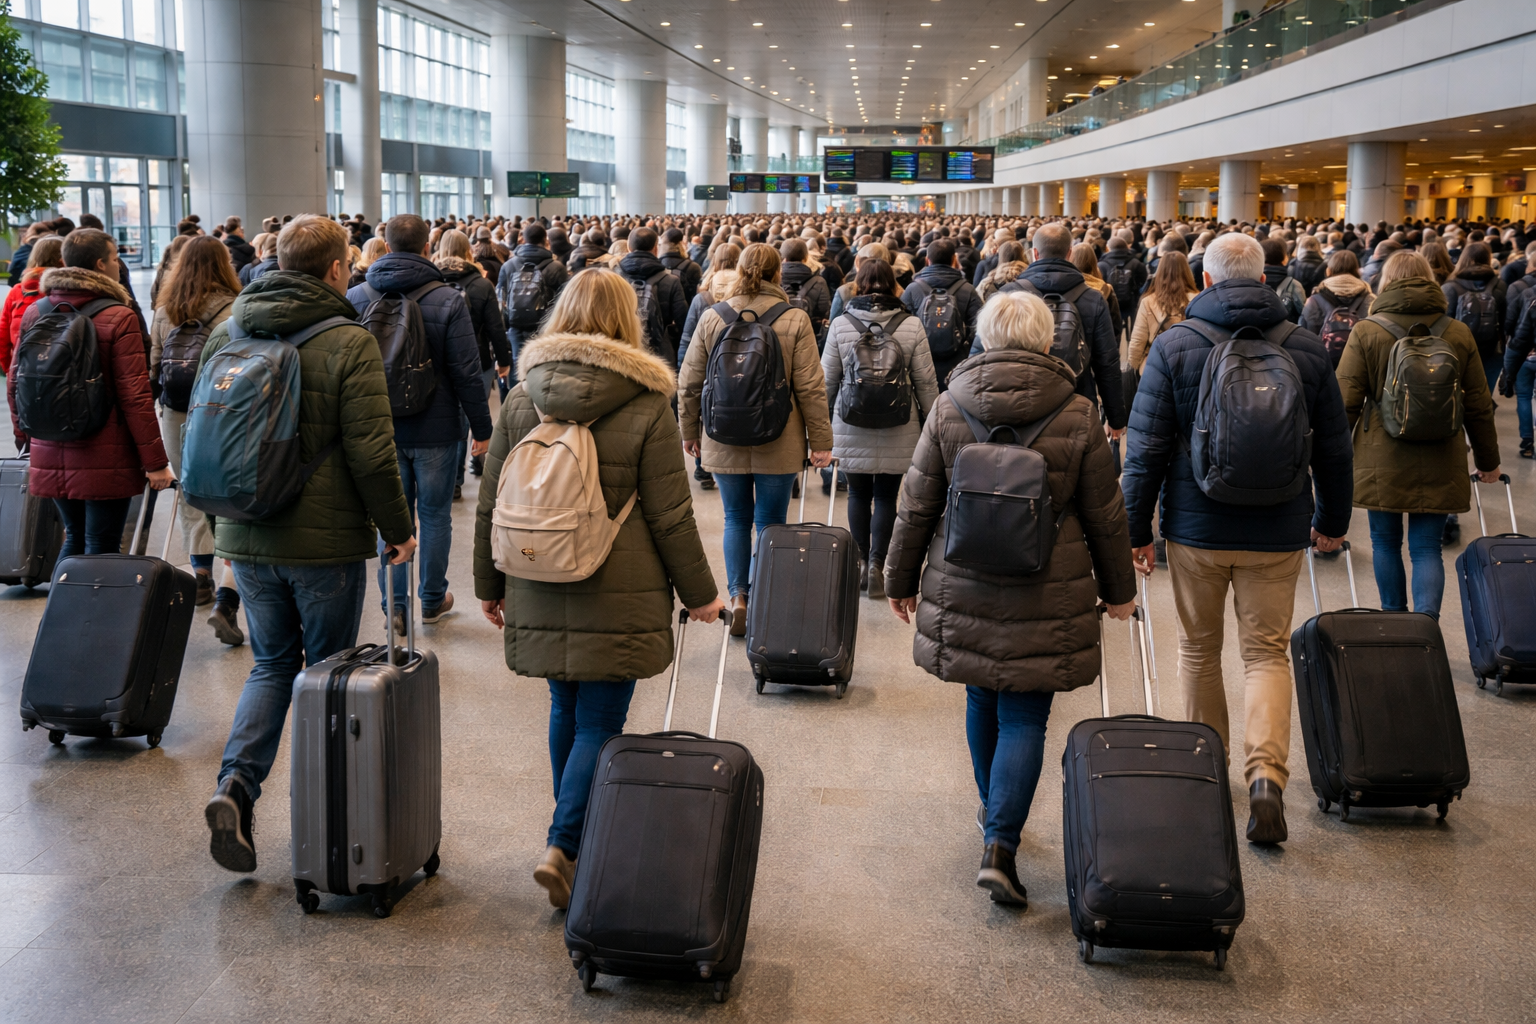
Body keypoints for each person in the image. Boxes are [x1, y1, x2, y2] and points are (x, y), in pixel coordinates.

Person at [472, 268, 724, 909]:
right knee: (602, 721)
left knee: (565, 706)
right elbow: (670, 514)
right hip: (620, 581)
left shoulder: (524, 396)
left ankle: (570, 836)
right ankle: (564, 844)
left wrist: (488, 583)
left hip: (535, 569)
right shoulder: (646, 401)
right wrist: (701, 594)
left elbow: (491, 500)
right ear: (625, 320)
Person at [884, 289, 1137, 906]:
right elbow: (1105, 515)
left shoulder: (950, 405)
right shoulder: (1078, 412)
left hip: (963, 578)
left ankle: (990, 806)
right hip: (1048, 584)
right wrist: (1119, 592)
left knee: (981, 694)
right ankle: (1001, 844)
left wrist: (898, 579)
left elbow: (917, 502)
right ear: (1048, 340)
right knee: (1025, 714)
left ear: (984, 337)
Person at [1121, 233, 1353, 847]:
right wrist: (1332, 520)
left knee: (1199, 650)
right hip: (1278, 526)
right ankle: (1266, 779)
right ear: (1267, 277)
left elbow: (1144, 452)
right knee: (1267, 654)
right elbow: (1334, 448)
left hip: (1196, 526)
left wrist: (1135, 530)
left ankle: (1207, 768)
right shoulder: (1304, 346)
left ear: (1206, 280)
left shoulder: (1175, 345)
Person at [201, 214, 416, 873]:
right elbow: (372, 453)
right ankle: (326, 820)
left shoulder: (229, 329)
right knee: (326, 673)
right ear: (335, 269)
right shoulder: (349, 341)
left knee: (270, 665)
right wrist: (397, 529)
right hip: (324, 543)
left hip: (244, 528)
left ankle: (236, 786)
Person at [679, 243, 834, 635]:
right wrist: (820, 441)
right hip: (780, 436)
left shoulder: (713, 317)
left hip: (722, 434)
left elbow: (689, 381)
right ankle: (764, 596)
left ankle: (738, 597)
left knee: (735, 517)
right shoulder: (794, 318)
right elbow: (811, 387)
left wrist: (689, 430)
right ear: (777, 273)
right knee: (770, 521)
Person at [347, 214, 493, 628]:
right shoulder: (448, 299)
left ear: (385, 246)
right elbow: (467, 372)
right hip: (437, 428)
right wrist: (482, 429)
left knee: (389, 515)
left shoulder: (357, 297)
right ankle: (431, 598)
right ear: (428, 248)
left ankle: (394, 605)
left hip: (379, 428)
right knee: (434, 516)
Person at [1337, 251, 1502, 616]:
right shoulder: (1457, 332)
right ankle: (1427, 626)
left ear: (1386, 282)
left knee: (1384, 542)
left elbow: (1345, 402)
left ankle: (1397, 624)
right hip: (1442, 452)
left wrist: (1327, 460)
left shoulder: (1366, 331)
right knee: (1427, 548)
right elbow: (1478, 404)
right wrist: (1488, 461)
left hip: (1381, 455)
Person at [7, 228, 173, 560]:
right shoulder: (118, 316)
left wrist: (24, 437)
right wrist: (155, 463)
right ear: (100, 264)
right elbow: (135, 396)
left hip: (49, 444)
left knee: (74, 538)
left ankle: (60, 597)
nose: (118, 264)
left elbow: (16, 382)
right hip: (106, 452)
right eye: (114, 257)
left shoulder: (37, 311)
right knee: (103, 547)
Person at [820, 259, 940, 601]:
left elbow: (826, 382)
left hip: (850, 422)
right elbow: (926, 383)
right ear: (894, 285)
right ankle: (877, 563)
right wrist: (936, 425)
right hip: (899, 423)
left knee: (857, 494)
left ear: (858, 284)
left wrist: (819, 428)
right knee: (887, 496)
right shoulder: (911, 325)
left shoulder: (842, 324)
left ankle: (860, 561)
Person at [147, 235, 245, 639]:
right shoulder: (237, 308)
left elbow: (155, 368)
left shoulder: (164, 310)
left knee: (190, 493)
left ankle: (200, 574)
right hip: (223, 410)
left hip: (176, 412)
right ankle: (229, 592)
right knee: (230, 497)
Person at [973, 225, 1127, 440]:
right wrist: (1116, 417)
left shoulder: (1009, 293)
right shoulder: (1093, 298)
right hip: (1076, 401)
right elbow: (1107, 363)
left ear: (1035, 253)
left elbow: (980, 354)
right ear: (1070, 253)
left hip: (1016, 404)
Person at [434, 229, 510, 483]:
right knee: (471, 412)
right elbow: (495, 327)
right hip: (478, 358)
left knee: (448, 414)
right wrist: (504, 361)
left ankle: (453, 477)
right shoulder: (481, 284)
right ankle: (472, 461)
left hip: (438, 358)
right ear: (469, 251)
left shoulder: (431, 282)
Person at [903, 237, 983, 392]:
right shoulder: (967, 289)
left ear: (927, 260)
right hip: (957, 365)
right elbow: (979, 327)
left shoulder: (912, 289)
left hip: (921, 363)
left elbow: (903, 327)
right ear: (954, 259)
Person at [498, 220, 568, 370]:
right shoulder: (557, 268)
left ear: (523, 239)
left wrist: (507, 326)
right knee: (544, 369)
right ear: (546, 240)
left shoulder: (508, 266)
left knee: (518, 369)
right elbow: (565, 302)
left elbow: (501, 299)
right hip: (546, 328)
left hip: (516, 327)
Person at [617, 227, 689, 364]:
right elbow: (682, 322)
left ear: (628, 247)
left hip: (621, 350)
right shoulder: (671, 281)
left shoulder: (613, 277)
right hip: (658, 355)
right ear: (656, 249)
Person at [1442, 241, 1508, 389]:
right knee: (1485, 392)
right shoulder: (1500, 285)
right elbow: (1505, 324)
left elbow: (1443, 323)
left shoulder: (1450, 287)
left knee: (1459, 393)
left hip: (1458, 350)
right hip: (1491, 350)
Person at [0, 236, 64, 376]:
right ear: (63, 260)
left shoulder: (16, 291)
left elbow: (3, 336)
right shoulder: (64, 291)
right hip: (58, 370)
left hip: (22, 369)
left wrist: (9, 370)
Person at [1128, 250, 1198, 372]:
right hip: (1190, 364)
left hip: (1155, 364)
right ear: (1187, 272)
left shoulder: (1148, 301)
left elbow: (1138, 341)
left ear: (1160, 272)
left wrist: (1133, 367)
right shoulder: (1198, 299)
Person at [1299, 250, 1373, 338]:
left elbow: (1305, 330)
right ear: (1357, 270)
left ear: (1329, 270)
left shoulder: (1315, 299)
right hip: (1358, 346)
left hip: (1321, 346)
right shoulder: (1369, 298)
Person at [779, 238, 833, 345]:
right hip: (808, 335)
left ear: (783, 258)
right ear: (805, 257)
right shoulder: (818, 281)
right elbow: (824, 310)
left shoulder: (775, 280)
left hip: (779, 335)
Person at [1070, 242, 1124, 341]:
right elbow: (1115, 326)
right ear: (1094, 261)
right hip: (1099, 343)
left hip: (1072, 342)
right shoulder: (1106, 289)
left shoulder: (1067, 287)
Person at [1099, 235, 1147, 338]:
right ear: (1127, 248)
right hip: (1130, 305)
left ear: (1108, 248)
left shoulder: (1101, 265)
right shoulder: (1136, 263)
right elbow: (1143, 283)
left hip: (1108, 306)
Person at [1261, 238, 1307, 323]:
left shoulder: (1253, 282)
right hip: (1286, 329)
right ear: (1284, 258)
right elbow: (1304, 314)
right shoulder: (1294, 285)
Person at [659, 226, 702, 299]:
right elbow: (696, 294)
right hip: (685, 304)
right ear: (682, 243)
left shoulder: (656, 265)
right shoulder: (693, 267)